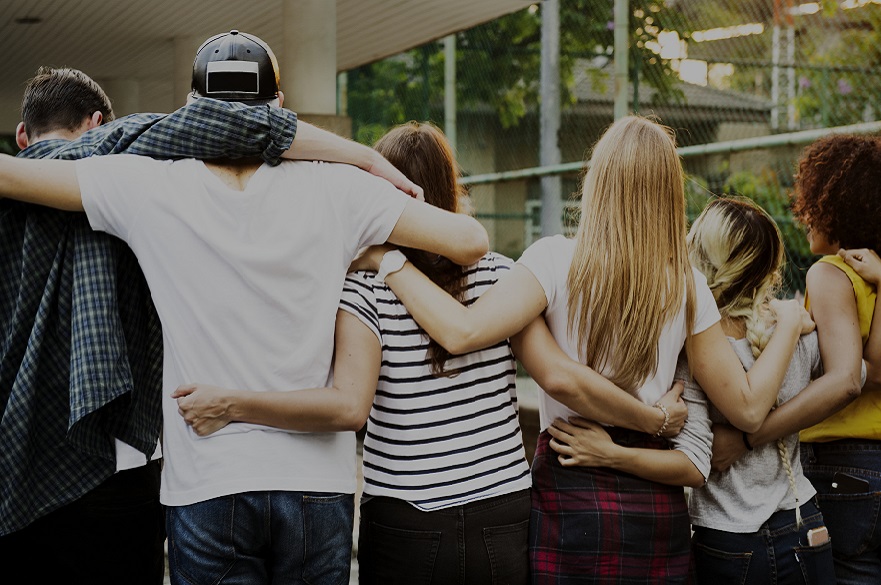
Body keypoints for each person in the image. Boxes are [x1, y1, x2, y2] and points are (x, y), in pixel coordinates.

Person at [0, 30, 490, 585]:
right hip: (318, 483)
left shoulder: (144, 184)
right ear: (279, 109)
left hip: (208, 477)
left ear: (191, 108)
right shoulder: (342, 189)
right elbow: (469, 241)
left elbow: (12, 174)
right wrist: (375, 249)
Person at [172, 121, 694, 584]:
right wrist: (653, 418)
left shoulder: (364, 290)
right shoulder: (501, 273)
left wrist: (233, 403)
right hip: (503, 512)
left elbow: (349, 406)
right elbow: (556, 372)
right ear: (450, 189)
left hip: (408, 517)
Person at [349, 115, 812, 583]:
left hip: (571, 482)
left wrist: (387, 259)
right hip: (654, 502)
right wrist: (790, 322)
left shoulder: (551, 261)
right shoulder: (688, 287)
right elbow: (749, 410)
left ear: (596, 181)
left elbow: (469, 334)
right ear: (671, 192)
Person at [0, 66, 307, 584]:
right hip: (119, 465)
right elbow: (230, 126)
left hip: (13, 460)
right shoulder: (132, 169)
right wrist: (367, 157)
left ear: (22, 136)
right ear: (99, 122)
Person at [710, 135, 881, 585]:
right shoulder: (875, 276)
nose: (803, 218)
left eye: (810, 205)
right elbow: (875, 367)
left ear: (834, 203)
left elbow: (849, 379)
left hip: (844, 465)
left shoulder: (830, 273)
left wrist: (749, 439)